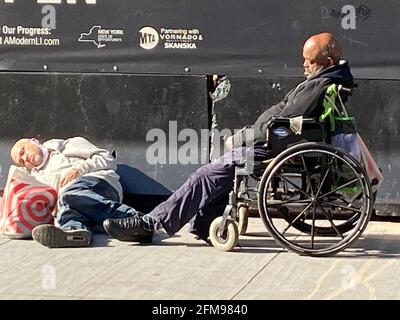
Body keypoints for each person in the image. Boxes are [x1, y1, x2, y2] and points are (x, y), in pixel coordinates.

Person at [103, 32, 355, 244]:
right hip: (275, 141)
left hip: (274, 146)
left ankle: (151, 223)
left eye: (309, 61)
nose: (304, 66)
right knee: (217, 172)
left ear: (328, 61)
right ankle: (204, 224)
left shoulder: (318, 85)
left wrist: (244, 136)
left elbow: (283, 122)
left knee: (207, 174)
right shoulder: (323, 80)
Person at [10, 137, 140, 248]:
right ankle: (76, 233)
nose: (25, 158)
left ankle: (134, 218)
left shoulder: (67, 146)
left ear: (34, 141)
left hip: (99, 184)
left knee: (69, 195)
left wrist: (79, 169)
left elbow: (107, 158)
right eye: (22, 161)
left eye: (23, 151)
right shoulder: (35, 180)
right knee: (68, 207)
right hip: (73, 201)